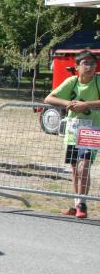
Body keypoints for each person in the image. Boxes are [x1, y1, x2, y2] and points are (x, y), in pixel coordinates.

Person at [44, 49, 100, 219]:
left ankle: (82, 203)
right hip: (73, 129)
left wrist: (87, 105)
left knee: (84, 167)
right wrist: (68, 102)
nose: (89, 67)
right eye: (85, 63)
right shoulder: (72, 81)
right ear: (77, 67)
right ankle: (77, 204)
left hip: (92, 130)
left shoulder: (98, 81)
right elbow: (49, 98)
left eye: (92, 63)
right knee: (75, 169)